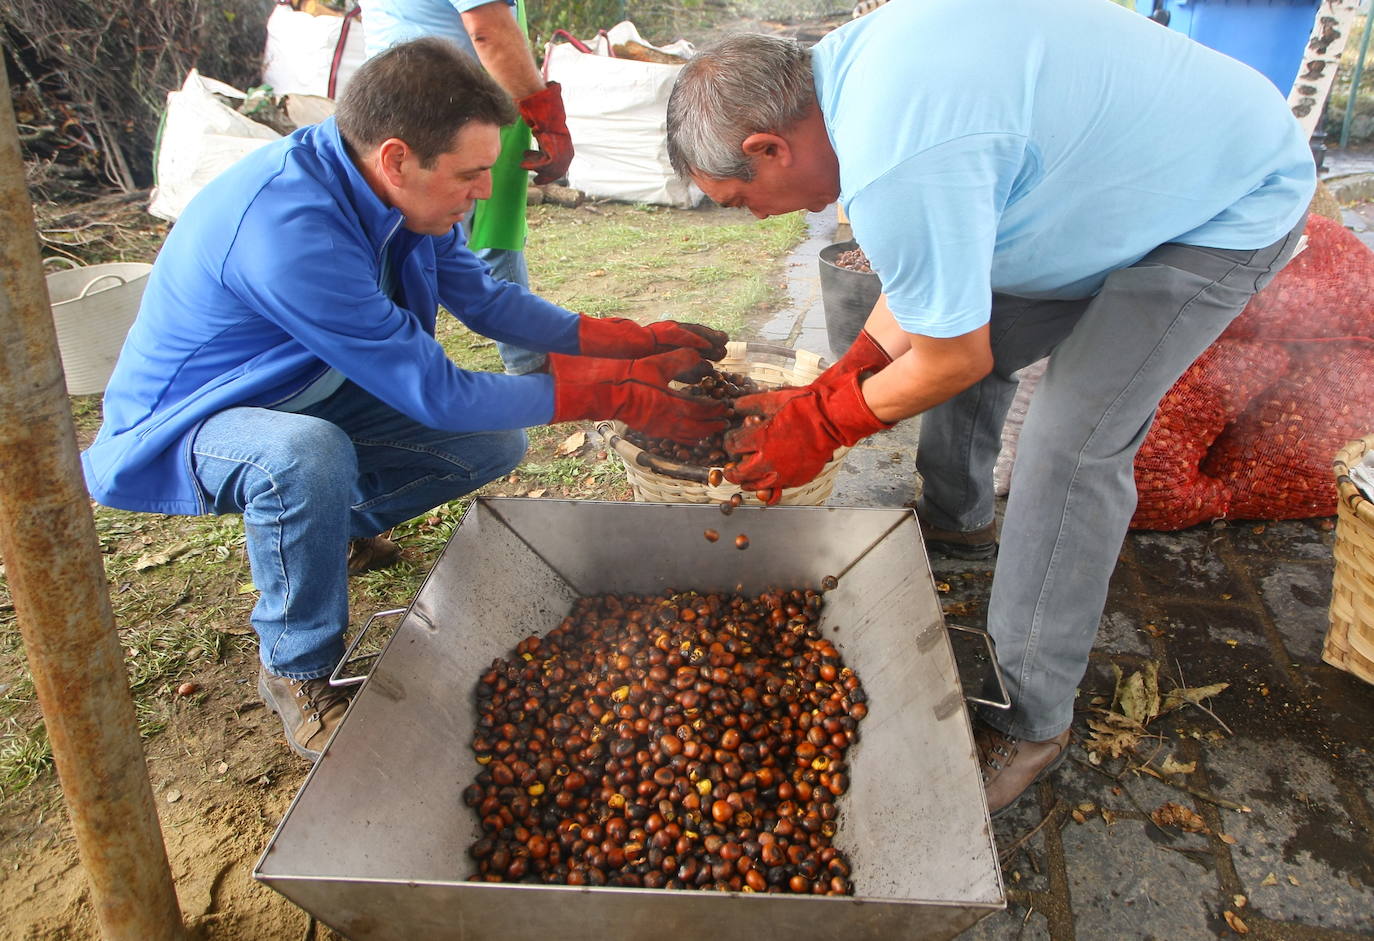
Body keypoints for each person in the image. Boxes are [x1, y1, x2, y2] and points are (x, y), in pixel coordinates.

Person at [666, 0, 1314, 815]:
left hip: (1225, 202)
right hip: (1119, 178)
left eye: (739, 198)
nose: (757, 217)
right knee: (973, 326)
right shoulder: (847, 78)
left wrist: (827, 426)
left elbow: (951, 354)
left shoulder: (897, 153)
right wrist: (836, 385)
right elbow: (930, 290)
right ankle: (958, 517)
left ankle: (1032, 717)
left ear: (769, 147)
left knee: (1069, 446)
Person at [82, 38, 728, 761]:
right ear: (397, 158)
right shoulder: (289, 231)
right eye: (471, 174)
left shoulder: (395, 194)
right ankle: (295, 670)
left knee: (496, 442)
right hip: (198, 419)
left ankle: (324, 531)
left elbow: (487, 301)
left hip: (307, 387)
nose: (484, 192)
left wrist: (627, 340)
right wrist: (608, 395)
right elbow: (439, 393)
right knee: (303, 457)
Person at [363, 0, 572, 376]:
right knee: (435, 250)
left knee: (434, 247)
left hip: (394, 105)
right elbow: (487, 29)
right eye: (473, 176)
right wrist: (546, 116)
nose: (484, 188)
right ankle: (401, 379)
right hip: (439, 117)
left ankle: (527, 363)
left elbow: (479, 294)